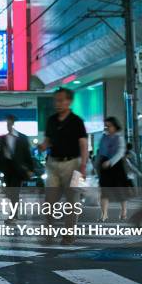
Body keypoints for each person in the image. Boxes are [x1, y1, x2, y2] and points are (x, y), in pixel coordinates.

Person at [38, 87, 88, 245]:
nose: (57, 104)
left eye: (61, 100)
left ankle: (68, 236)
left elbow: (83, 145)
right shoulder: (51, 120)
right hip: (53, 163)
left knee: (73, 201)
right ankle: (49, 233)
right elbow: (47, 140)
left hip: (73, 163)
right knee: (49, 201)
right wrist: (42, 146)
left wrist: (83, 167)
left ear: (69, 101)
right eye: (56, 100)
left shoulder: (77, 121)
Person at [0, 114, 33, 221]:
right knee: (9, 192)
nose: (8, 125)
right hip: (7, 169)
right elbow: (0, 155)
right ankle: (14, 212)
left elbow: (27, 154)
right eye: (6, 123)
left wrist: (31, 169)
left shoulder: (22, 138)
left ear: (13, 124)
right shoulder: (3, 138)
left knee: (14, 192)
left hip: (18, 169)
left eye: (9, 123)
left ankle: (13, 215)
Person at [97, 117, 129, 222]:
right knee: (104, 191)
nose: (107, 128)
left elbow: (120, 152)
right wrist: (98, 164)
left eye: (109, 125)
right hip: (104, 166)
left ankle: (124, 212)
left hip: (116, 166)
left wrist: (110, 162)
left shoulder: (119, 137)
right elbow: (100, 152)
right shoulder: (103, 137)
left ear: (115, 126)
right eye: (106, 125)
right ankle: (104, 214)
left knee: (120, 190)